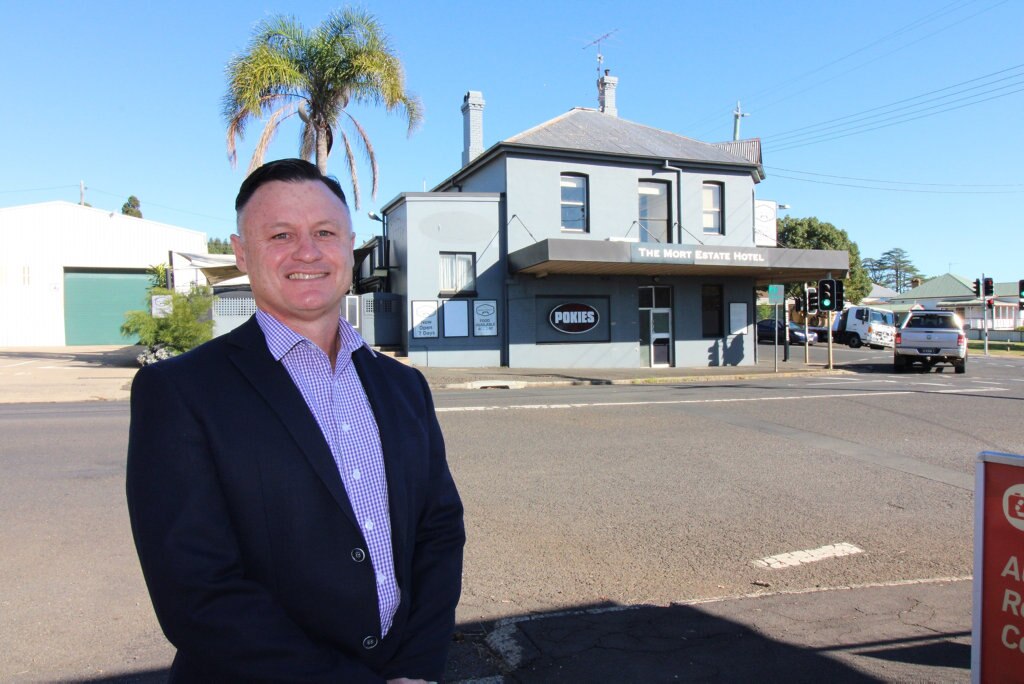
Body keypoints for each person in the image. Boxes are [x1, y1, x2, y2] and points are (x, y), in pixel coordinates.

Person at [126, 158, 465, 683]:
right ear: (242, 253)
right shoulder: (180, 392)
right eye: (280, 234)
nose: (307, 251)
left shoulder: (404, 387)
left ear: (350, 248)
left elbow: (438, 533)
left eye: (324, 232)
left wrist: (416, 668)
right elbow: (197, 591)